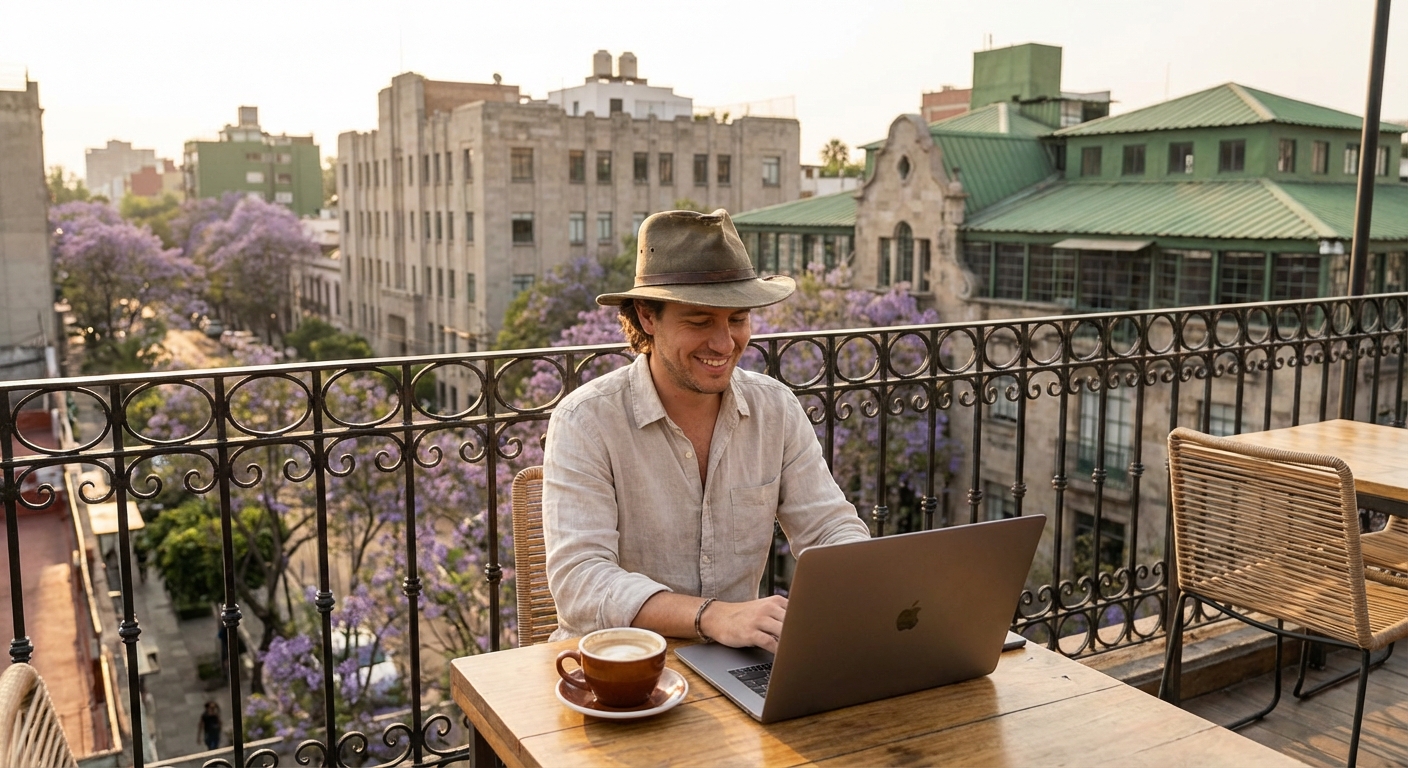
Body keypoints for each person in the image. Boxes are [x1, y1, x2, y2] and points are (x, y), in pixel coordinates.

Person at [542, 209, 871, 653]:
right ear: (646, 317)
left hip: (737, 664)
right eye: (700, 321)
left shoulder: (775, 408)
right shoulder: (586, 421)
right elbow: (581, 582)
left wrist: (871, 585)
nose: (724, 343)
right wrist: (712, 617)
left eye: (737, 319)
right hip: (619, 673)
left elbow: (830, 529)